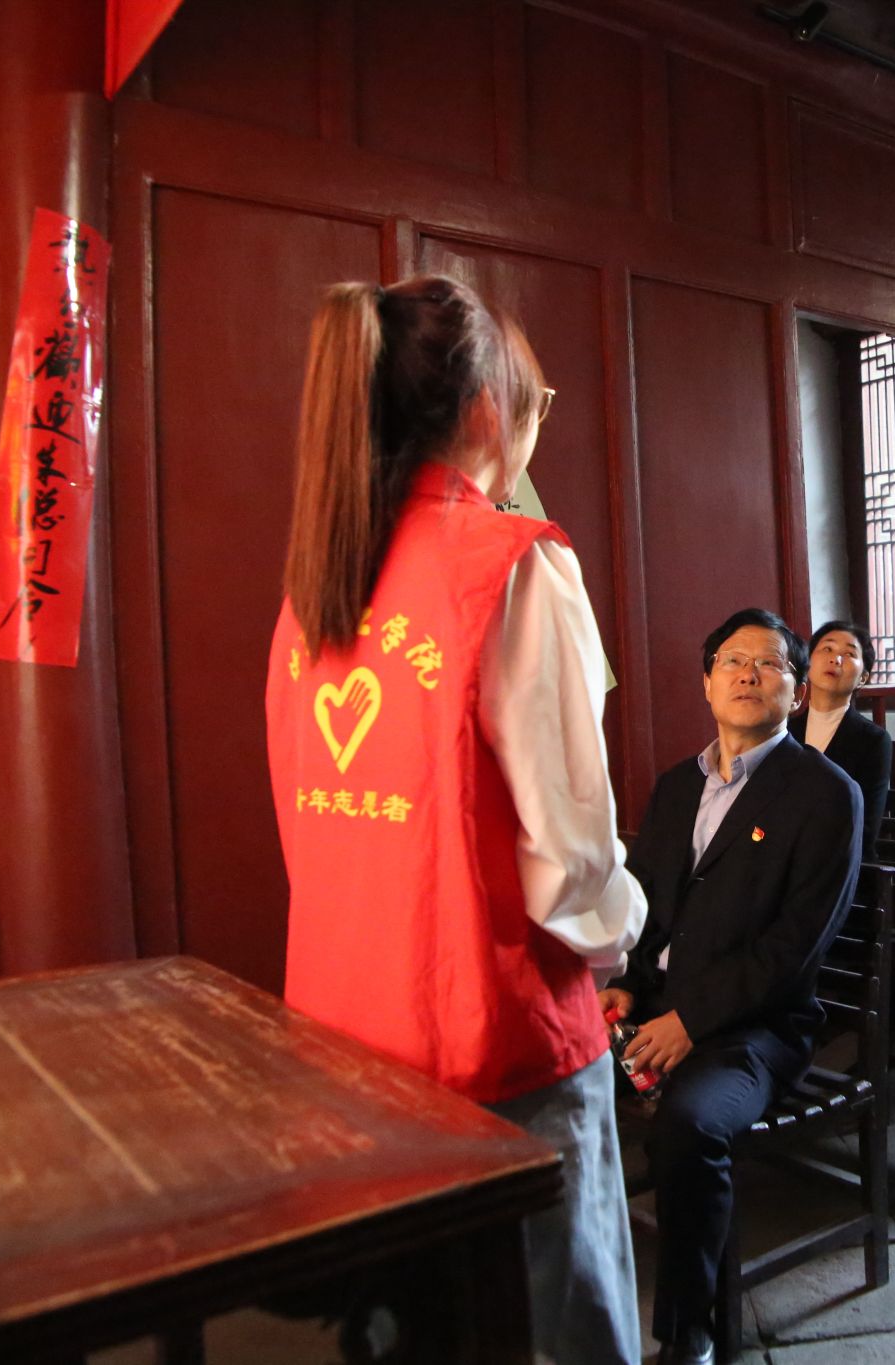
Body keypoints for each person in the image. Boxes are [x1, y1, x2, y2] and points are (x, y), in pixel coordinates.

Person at [266, 276, 645, 1365]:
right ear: (486, 406)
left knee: (417, 1331)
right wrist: (621, 942)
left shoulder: (316, 586)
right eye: (537, 399)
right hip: (498, 1039)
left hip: (347, 1042)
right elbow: (571, 862)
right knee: (555, 1328)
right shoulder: (511, 562)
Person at [602, 609, 861, 1365]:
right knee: (548, 1082)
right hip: (655, 1011)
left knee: (690, 1124)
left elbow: (795, 945)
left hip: (757, 1029)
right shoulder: (676, 786)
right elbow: (644, 902)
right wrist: (626, 985)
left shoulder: (825, 793)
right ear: (706, 682)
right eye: (732, 660)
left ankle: (689, 1330)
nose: (749, 674)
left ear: (798, 689)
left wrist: (691, 1019)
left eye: (770, 662)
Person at [793, 618, 892, 858]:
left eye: (849, 654)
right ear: (808, 663)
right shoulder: (784, 731)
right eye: (827, 648)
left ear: (863, 678)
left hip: (844, 863)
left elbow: (865, 828)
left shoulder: (873, 740)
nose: (835, 659)